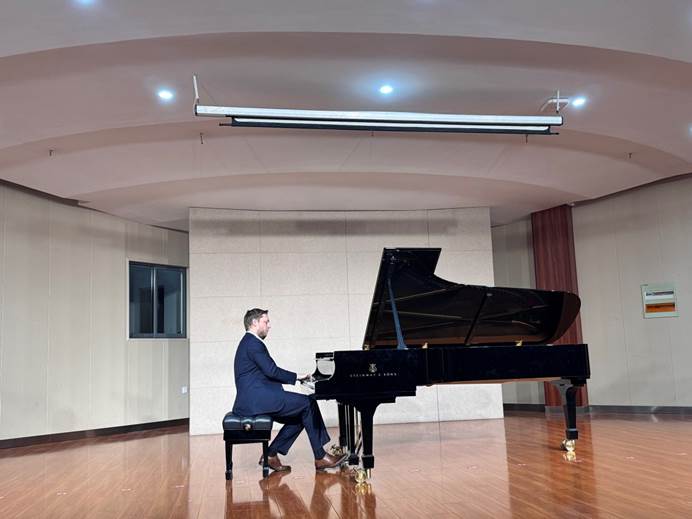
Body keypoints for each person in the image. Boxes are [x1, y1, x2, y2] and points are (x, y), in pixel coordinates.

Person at [232, 308, 347, 472]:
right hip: (257, 400)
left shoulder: (248, 343)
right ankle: (320, 457)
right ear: (254, 323)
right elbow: (272, 371)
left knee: (302, 414)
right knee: (308, 403)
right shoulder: (253, 344)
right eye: (266, 322)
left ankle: (271, 454)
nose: (269, 325)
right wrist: (298, 377)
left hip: (257, 398)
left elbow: (267, 372)